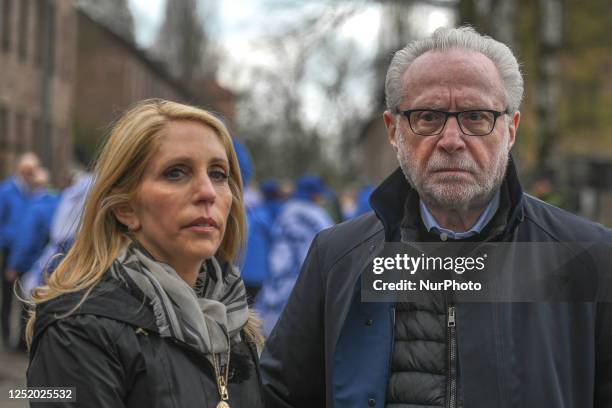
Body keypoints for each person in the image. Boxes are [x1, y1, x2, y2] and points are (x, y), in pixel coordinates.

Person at [259, 27, 612, 407]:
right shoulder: (339, 258)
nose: (451, 140)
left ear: (511, 129)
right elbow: (282, 396)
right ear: (394, 130)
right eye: (427, 117)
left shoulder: (587, 256)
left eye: (476, 117)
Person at [26, 99, 264, 407]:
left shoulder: (232, 318)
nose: (207, 192)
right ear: (125, 207)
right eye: (176, 172)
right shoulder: (76, 329)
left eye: (218, 173)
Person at [255, 175, 333, 336]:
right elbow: (331, 246)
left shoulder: (286, 210)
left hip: (278, 276)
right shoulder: (317, 215)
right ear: (315, 194)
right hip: (303, 279)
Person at [0, 152, 40, 349]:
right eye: (28, 171)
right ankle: (6, 336)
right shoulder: (7, 190)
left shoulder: (33, 191)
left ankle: (22, 340)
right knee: (7, 296)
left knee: (26, 295)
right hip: (9, 249)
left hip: (27, 251)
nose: (31, 175)